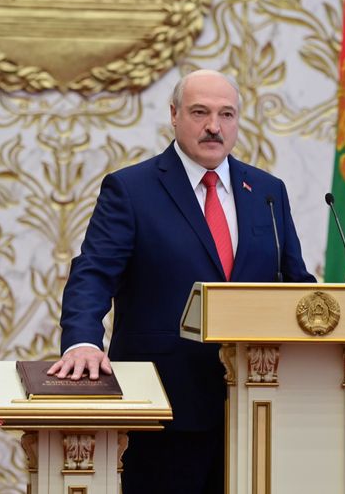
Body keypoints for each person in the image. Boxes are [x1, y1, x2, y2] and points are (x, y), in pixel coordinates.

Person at [48, 69, 316, 493]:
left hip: (258, 406)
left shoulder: (267, 191)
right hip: (164, 405)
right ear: (174, 115)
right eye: (200, 112)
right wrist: (82, 340)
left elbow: (295, 282)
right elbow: (94, 272)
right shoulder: (132, 189)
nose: (215, 126)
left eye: (226, 114)